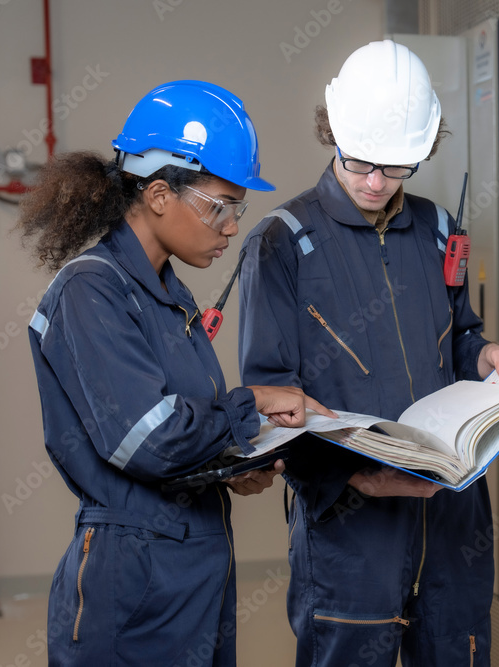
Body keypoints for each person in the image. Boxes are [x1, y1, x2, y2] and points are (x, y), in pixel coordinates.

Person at [20, 80, 332, 666]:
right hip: (134, 577)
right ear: (161, 193)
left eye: (239, 209)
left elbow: (184, 432)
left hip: (195, 564)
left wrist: (228, 468)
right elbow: (150, 437)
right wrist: (253, 403)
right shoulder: (93, 290)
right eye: (221, 207)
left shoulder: (168, 293)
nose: (233, 227)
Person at [238, 41, 499, 666]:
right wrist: (355, 475)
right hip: (350, 524)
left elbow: (462, 338)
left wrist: (487, 357)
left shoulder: (439, 229)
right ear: (332, 133)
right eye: (362, 162)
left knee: (459, 649)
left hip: (450, 515)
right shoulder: (281, 244)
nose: (376, 183)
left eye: (396, 168)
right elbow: (270, 399)